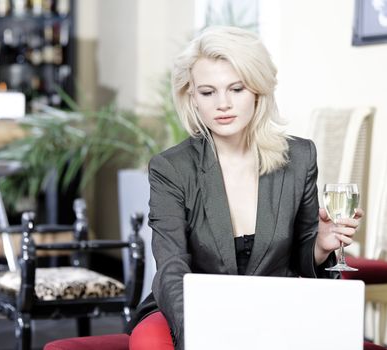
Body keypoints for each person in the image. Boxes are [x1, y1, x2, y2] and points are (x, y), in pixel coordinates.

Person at [127, 26, 363, 350]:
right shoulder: (171, 168)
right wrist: (203, 331)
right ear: (192, 97)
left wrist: (321, 245)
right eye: (208, 92)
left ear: (257, 89)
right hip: (192, 309)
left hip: (273, 307)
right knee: (150, 342)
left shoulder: (300, 157)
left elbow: (302, 257)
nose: (223, 104)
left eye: (236, 89)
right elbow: (171, 268)